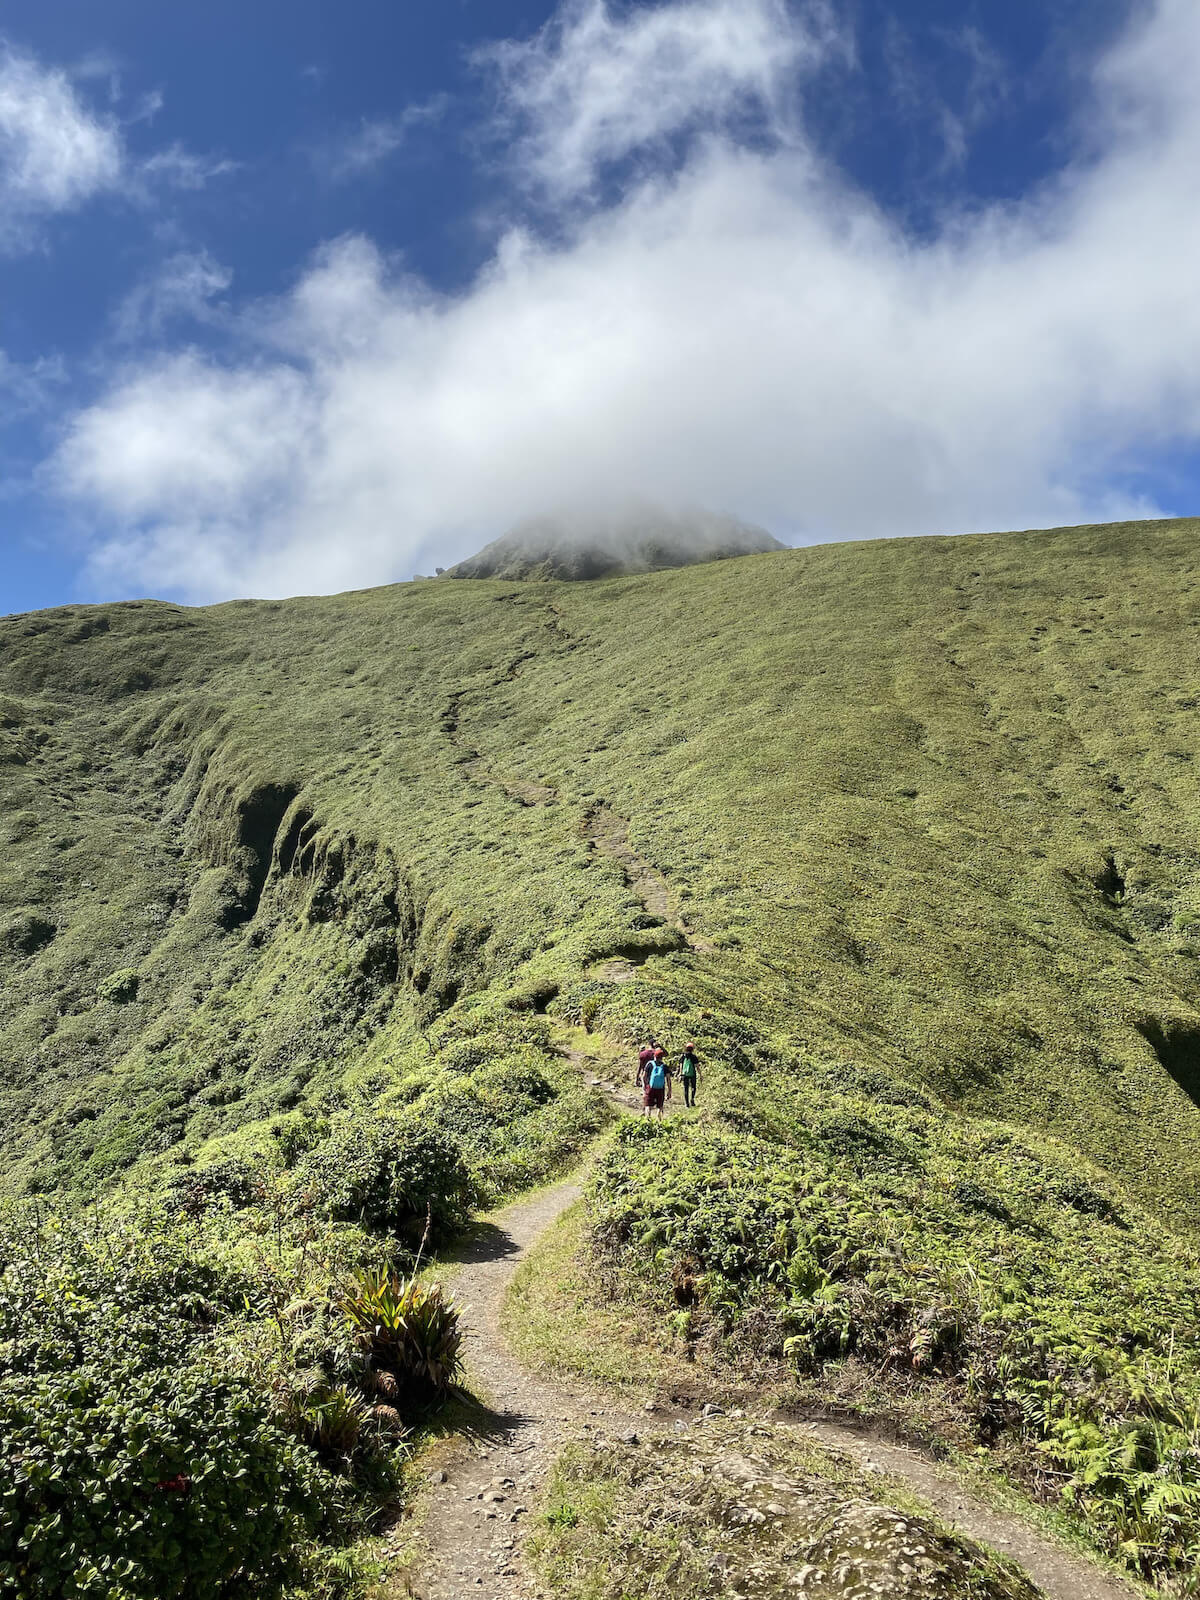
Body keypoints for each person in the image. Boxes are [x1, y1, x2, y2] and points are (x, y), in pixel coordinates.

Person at [643, 1046, 671, 1120]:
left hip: (650, 1087)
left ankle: (648, 1120)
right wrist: (669, 1090)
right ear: (662, 1057)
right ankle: (659, 1120)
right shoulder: (664, 1066)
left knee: (648, 1105)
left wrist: (644, 1086)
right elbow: (668, 1079)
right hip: (660, 1088)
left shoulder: (649, 1064)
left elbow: (644, 1076)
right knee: (660, 1106)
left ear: (654, 1056)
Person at [679, 1042, 701, 1107]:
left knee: (686, 1088)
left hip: (685, 1074)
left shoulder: (683, 1056)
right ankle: (692, 1099)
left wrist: (680, 1073)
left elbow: (681, 1065)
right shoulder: (694, 1057)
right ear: (692, 1049)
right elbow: (697, 1067)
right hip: (692, 1074)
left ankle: (687, 1103)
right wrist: (700, 1074)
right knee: (693, 1087)